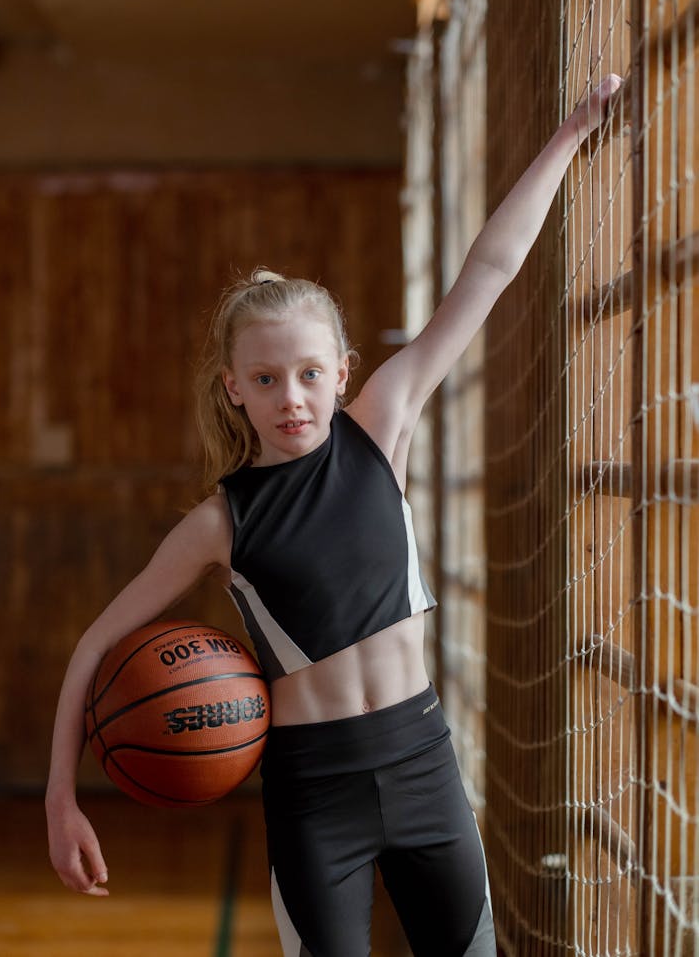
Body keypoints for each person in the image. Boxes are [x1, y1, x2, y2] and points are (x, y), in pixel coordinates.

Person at [46, 74, 623, 956]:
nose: (292, 397)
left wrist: (573, 131)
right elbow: (93, 645)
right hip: (315, 795)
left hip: (427, 763)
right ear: (234, 388)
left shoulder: (380, 427)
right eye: (268, 379)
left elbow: (490, 270)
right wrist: (60, 799)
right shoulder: (221, 522)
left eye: (311, 373)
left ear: (345, 370)